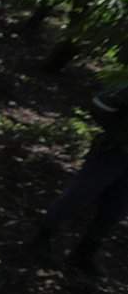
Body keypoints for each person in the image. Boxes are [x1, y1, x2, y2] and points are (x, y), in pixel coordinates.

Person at [32, 82, 128, 275]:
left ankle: (84, 253)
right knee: (78, 196)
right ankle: (41, 238)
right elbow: (101, 103)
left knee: (115, 210)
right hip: (113, 153)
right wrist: (118, 134)